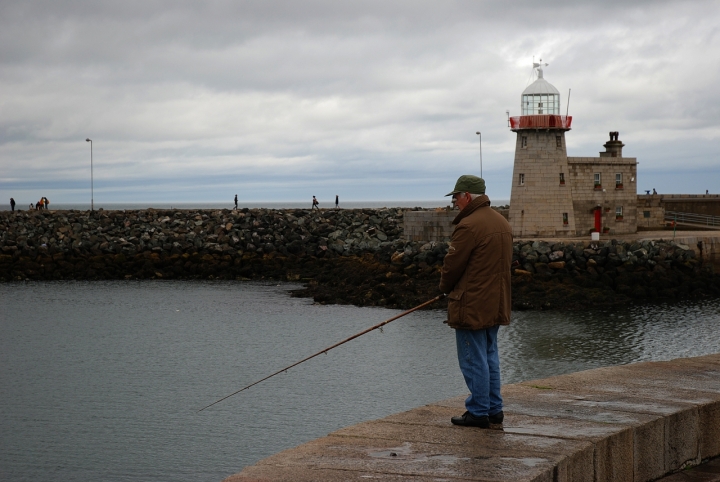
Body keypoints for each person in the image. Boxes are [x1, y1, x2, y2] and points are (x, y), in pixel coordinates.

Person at [439, 174, 512, 429]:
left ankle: (479, 411)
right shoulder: (501, 222)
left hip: (472, 303)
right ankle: (494, 409)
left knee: (473, 357)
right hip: (497, 300)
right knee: (490, 354)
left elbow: (452, 266)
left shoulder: (469, 225)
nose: (455, 203)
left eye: (456, 198)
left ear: (467, 196)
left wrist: (444, 289)